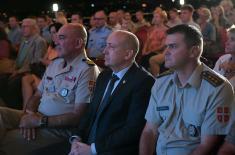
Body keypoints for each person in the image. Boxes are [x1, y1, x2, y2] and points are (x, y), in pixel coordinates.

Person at [0, 23, 100, 155]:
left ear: (78, 43)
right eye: (57, 37)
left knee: (7, 139)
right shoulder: (55, 63)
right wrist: (29, 115)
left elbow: (78, 116)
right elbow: (37, 95)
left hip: (59, 129)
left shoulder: (88, 69)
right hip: (38, 117)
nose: (56, 41)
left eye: (62, 38)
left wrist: (39, 121)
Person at [139, 24, 234, 155]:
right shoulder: (161, 83)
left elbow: (207, 146)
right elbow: (149, 131)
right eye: (166, 46)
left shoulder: (217, 88)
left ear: (193, 51)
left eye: (172, 46)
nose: (165, 52)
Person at [67, 30, 155, 155]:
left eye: (111, 46)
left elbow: (133, 129)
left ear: (128, 54)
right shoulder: (105, 75)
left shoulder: (143, 82)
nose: (104, 51)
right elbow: (91, 111)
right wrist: (76, 138)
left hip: (110, 150)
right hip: (85, 144)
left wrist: (92, 149)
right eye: (106, 45)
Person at [0, 18, 47, 109]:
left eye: (26, 27)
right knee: (2, 79)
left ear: (33, 28)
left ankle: (16, 109)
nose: (23, 29)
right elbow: (18, 59)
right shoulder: (24, 40)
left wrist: (18, 71)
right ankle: (7, 108)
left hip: (29, 71)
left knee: (13, 84)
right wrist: (14, 69)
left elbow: (36, 62)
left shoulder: (39, 41)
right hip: (18, 69)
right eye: (22, 26)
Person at [21, 22, 63, 109]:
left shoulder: (63, 47)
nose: (52, 35)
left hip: (55, 81)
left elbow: (57, 65)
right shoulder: (51, 46)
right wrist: (45, 61)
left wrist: (46, 61)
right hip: (45, 76)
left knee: (31, 85)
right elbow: (43, 60)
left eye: (55, 32)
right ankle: (24, 109)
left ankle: (28, 111)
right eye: (51, 33)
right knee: (25, 78)